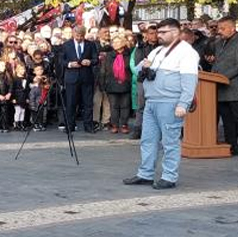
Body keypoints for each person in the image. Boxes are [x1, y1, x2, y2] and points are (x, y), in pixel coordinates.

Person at [124, 18, 200, 190]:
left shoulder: (186, 52)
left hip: (170, 102)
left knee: (170, 141)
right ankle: (145, 174)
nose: (159, 35)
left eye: (163, 32)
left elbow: (190, 81)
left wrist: (183, 104)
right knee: (148, 140)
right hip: (151, 101)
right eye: (158, 32)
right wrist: (145, 66)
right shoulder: (157, 51)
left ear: (175, 32)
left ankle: (169, 176)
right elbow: (136, 70)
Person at [59, 26, 100, 133]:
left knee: (88, 103)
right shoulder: (66, 45)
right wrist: (69, 64)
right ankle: (70, 126)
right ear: (73, 34)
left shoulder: (90, 44)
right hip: (72, 77)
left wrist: (90, 62)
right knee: (71, 103)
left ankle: (88, 126)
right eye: (77, 36)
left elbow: (96, 59)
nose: (79, 38)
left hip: (86, 77)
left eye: (81, 36)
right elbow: (61, 60)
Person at [212, 16, 238, 155]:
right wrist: (212, 75)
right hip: (220, 89)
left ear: (232, 28)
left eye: (223, 28)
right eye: (218, 28)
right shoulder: (218, 43)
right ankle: (231, 146)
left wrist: (223, 77)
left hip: (234, 88)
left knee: (236, 119)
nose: (219, 31)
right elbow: (218, 63)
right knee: (227, 121)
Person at [100, 34, 134, 134]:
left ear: (123, 43)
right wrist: (103, 84)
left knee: (125, 105)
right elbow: (103, 70)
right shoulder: (109, 55)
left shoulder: (129, 54)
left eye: (117, 42)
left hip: (126, 83)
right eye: (113, 42)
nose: (114, 44)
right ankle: (114, 124)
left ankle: (124, 124)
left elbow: (131, 69)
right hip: (111, 83)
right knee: (113, 106)